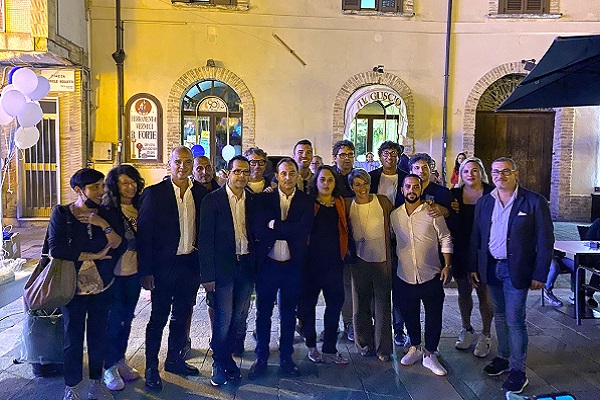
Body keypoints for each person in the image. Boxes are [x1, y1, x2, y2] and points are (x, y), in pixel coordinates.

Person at [469, 157, 554, 394]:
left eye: (506, 171)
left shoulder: (534, 201)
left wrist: (540, 273)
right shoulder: (485, 202)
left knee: (515, 319)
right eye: (496, 172)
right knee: (499, 315)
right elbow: (477, 235)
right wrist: (473, 266)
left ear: (516, 174)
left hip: (517, 269)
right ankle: (504, 358)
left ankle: (518, 371)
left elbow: (545, 240)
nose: (500, 176)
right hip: (491, 267)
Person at [50, 168, 126, 400]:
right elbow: (57, 249)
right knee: (72, 338)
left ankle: (96, 383)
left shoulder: (108, 213)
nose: (101, 191)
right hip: (71, 286)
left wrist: (102, 223)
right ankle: (71, 387)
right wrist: (93, 255)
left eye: (102, 185)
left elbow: (119, 244)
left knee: (98, 336)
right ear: (78, 190)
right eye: (95, 187)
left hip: (102, 285)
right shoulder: (62, 214)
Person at [138, 146, 208, 392]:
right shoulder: (154, 194)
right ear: (170, 164)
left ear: (192, 165)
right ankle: (151, 368)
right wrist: (146, 271)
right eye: (178, 161)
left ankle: (174, 360)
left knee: (182, 315)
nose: (182, 166)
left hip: (189, 264)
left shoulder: (201, 193)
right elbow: (144, 234)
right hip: (162, 267)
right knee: (158, 318)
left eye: (187, 162)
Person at [248, 158, 314, 379]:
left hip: (293, 266)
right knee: (263, 313)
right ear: (276, 176)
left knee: (288, 314)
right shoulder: (264, 199)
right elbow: (259, 230)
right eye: (283, 173)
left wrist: (275, 225)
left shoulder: (305, 201)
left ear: (297, 175)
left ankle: (286, 358)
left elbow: (303, 230)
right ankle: (261, 357)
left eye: (291, 173)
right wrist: (288, 229)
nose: (287, 177)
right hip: (268, 265)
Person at [199, 155, 256, 387]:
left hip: (246, 266)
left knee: (239, 318)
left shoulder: (252, 200)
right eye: (237, 171)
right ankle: (218, 362)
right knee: (223, 318)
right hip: (222, 268)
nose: (241, 176)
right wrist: (207, 276)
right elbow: (205, 239)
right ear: (227, 173)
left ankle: (226, 359)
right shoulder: (213, 200)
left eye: (245, 171)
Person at [391, 174, 453, 376]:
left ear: (421, 189)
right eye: (408, 186)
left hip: (431, 274)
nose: (412, 190)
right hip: (405, 275)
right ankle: (415, 347)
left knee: (434, 315)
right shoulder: (395, 215)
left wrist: (447, 265)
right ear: (402, 190)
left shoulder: (432, 212)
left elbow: (445, 237)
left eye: (415, 186)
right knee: (410, 314)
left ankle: (430, 353)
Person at [301, 165, 350, 365]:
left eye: (330, 180)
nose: (326, 183)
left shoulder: (339, 202)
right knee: (307, 307)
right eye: (322, 179)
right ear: (316, 182)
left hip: (334, 264)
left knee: (335, 305)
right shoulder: (308, 203)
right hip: (310, 265)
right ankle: (311, 346)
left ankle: (330, 347)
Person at [102, 165, 145, 391]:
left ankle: (120, 359)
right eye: (124, 183)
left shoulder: (140, 206)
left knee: (127, 318)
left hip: (134, 273)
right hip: (114, 275)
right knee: (113, 320)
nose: (130, 187)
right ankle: (108, 366)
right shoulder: (108, 211)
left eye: (133, 181)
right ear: (115, 186)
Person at [346, 168, 393, 362]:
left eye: (365, 183)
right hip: (359, 261)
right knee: (360, 305)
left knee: (383, 306)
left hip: (382, 260)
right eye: (357, 184)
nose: (362, 188)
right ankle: (364, 344)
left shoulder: (382, 201)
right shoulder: (348, 204)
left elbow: (395, 223)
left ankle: (383, 349)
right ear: (352, 187)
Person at [450, 157, 494, 358]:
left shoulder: (492, 193)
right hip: (461, 248)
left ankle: (486, 334)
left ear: (481, 172)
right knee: (464, 291)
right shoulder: (455, 194)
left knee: (485, 293)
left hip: (485, 249)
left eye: (475, 170)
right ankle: (467, 328)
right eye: (466, 171)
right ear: (461, 174)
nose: (470, 174)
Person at [368, 140, 408, 347]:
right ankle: (378, 326)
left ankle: (398, 329)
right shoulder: (372, 177)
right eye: (386, 153)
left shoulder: (406, 178)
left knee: (399, 285)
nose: (390, 157)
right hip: (376, 236)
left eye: (393, 153)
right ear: (380, 156)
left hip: (400, 236)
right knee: (377, 285)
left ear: (398, 156)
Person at [331, 140, 356, 341]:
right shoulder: (328, 176)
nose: (346, 158)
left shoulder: (359, 177)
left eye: (350, 154)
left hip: (355, 237)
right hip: (332, 237)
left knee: (349, 283)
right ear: (335, 157)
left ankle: (351, 323)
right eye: (342, 155)